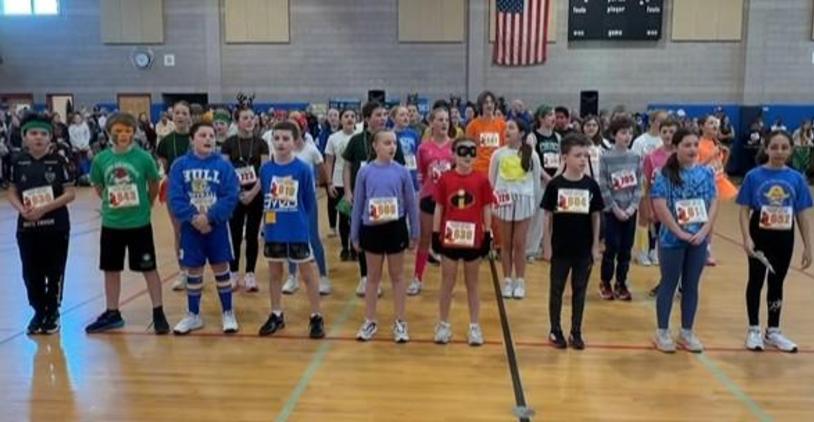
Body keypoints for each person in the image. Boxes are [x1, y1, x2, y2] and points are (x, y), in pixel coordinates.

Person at [85, 113, 169, 334]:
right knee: (111, 269)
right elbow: (99, 185)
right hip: (112, 225)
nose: (123, 135)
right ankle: (112, 312)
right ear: (109, 133)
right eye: (119, 131)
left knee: (149, 268)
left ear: (134, 132)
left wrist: (148, 202)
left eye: (128, 131)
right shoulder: (101, 159)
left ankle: (158, 311)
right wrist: (110, 202)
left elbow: (153, 182)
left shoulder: (143, 158)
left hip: (139, 224)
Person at [737, 130, 812, 353]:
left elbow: (801, 215)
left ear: (791, 150)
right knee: (756, 280)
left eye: (784, 148)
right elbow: (743, 210)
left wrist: (808, 246)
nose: (779, 152)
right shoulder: (753, 176)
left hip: (784, 236)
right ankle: (753, 329)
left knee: (777, 283)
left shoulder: (797, 179)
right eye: (775, 147)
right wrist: (746, 238)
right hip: (760, 234)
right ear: (767, 148)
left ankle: (774, 330)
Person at [651, 128, 719, 353]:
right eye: (686, 145)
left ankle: (686, 332)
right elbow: (659, 205)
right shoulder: (664, 174)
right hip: (672, 239)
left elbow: (713, 202)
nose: (691, 149)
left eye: (694, 145)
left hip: (698, 239)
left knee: (691, 286)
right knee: (669, 284)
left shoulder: (706, 174)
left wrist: (706, 230)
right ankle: (662, 332)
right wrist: (678, 231)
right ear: (677, 147)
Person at [168, 122, 240, 334]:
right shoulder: (180, 165)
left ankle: (228, 312)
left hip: (216, 227)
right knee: (194, 270)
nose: (208, 139)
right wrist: (193, 218)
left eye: (211, 135)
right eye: (202, 135)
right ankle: (193, 315)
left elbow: (230, 195)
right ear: (192, 139)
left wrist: (209, 217)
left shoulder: (224, 166)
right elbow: (175, 196)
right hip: (191, 228)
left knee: (221, 268)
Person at [8, 113, 76, 334]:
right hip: (27, 228)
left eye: (43, 134)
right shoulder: (17, 161)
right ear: (25, 137)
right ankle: (38, 311)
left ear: (50, 138)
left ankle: (52, 312)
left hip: (55, 226)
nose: (38, 138)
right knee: (31, 273)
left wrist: (43, 209)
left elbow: (70, 193)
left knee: (54, 271)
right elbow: (11, 191)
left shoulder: (59, 161)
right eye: (33, 133)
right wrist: (23, 210)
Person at [258, 121, 325, 338]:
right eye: (276, 138)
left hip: (297, 229)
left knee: (307, 274)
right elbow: (266, 200)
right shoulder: (266, 169)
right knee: (275, 273)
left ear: (295, 141)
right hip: (274, 229)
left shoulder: (303, 169)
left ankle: (316, 316)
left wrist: (300, 223)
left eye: (286, 139)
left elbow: (308, 201)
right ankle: (276, 313)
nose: (280, 143)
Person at [351, 129, 419, 342]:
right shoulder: (365, 172)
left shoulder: (402, 172)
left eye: (394, 143)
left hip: (395, 228)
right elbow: (358, 204)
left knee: (397, 277)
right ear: (375, 146)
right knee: (373, 277)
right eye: (387, 143)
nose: (392, 147)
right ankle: (370, 320)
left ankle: (400, 322)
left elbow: (411, 203)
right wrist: (355, 234)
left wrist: (414, 231)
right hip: (371, 229)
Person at [542, 133, 604, 350]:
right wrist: (546, 245)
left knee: (580, 290)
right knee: (556, 289)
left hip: (583, 249)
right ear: (565, 157)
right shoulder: (555, 185)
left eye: (585, 156)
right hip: (560, 248)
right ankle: (555, 329)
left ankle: (576, 331)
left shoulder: (591, 186)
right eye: (577, 155)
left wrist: (595, 246)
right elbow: (547, 215)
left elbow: (596, 216)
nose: (582, 160)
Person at [432, 137, 493, 345]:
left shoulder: (482, 180)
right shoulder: (445, 179)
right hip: (450, 238)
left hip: (473, 238)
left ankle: (474, 326)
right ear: (454, 154)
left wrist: (488, 234)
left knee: (472, 284)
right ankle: (443, 324)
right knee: (447, 282)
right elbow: (439, 207)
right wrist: (434, 234)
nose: (467, 156)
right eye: (462, 151)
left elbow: (486, 207)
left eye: (472, 152)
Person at [343, 101, 406, 296]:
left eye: (384, 114)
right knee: (364, 235)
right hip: (364, 197)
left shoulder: (392, 139)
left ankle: (383, 277)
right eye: (378, 115)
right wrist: (347, 190)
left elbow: (401, 169)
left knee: (386, 239)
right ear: (368, 118)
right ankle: (365, 277)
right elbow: (346, 166)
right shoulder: (355, 141)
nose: (382, 118)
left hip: (387, 200)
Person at [490, 118, 541, 299]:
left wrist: (533, 205)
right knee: (506, 244)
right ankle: (507, 281)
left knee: (520, 243)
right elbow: (492, 179)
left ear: (521, 133)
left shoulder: (531, 155)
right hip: (504, 202)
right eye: (506, 128)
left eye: (511, 128)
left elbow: (535, 183)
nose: (507, 131)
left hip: (524, 202)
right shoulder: (498, 155)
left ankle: (520, 281)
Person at [281, 117, 332, 295]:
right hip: (289, 201)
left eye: (295, 127)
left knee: (313, 237)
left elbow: (322, 170)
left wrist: (324, 184)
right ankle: (292, 277)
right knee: (291, 238)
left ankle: (324, 277)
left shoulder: (311, 150)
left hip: (307, 201)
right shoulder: (283, 152)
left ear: (302, 129)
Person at [221, 107, 269, 291]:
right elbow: (226, 171)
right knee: (234, 235)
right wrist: (238, 192)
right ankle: (233, 273)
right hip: (235, 195)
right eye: (245, 118)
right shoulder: (229, 143)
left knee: (252, 235)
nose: (249, 121)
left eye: (252, 118)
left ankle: (250, 273)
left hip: (256, 194)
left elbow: (264, 171)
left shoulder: (262, 143)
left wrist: (252, 193)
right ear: (237, 121)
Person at [409, 107, 454, 295]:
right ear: (432, 123)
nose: (444, 123)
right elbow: (420, 174)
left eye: (446, 119)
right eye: (440, 119)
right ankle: (417, 278)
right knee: (425, 239)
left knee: (447, 241)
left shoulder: (454, 147)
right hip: (428, 199)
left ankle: (447, 282)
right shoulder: (423, 148)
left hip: (450, 201)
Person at [597, 116, 642, 301]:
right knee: (611, 247)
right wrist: (615, 209)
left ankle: (621, 282)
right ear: (614, 135)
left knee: (626, 249)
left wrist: (631, 208)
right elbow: (604, 186)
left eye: (630, 133)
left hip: (630, 211)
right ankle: (605, 281)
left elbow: (639, 185)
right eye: (623, 133)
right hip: (612, 211)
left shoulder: (636, 157)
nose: (627, 136)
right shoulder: (606, 158)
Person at [156, 101, 193, 290]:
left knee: (196, 229)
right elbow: (163, 166)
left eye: (184, 113)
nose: (180, 116)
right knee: (179, 231)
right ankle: (183, 272)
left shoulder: (197, 137)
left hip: (196, 189)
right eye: (177, 112)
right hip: (175, 190)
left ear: (189, 116)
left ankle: (196, 271)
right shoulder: (165, 141)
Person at [643, 118, 679, 296]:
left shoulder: (683, 155)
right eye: (665, 131)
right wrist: (649, 208)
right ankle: (665, 281)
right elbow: (648, 186)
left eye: (672, 132)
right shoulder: (652, 157)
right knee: (663, 248)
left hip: (679, 211)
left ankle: (679, 284)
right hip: (659, 210)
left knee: (680, 247)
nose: (668, 135)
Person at [697, 115, 738, 266]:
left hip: (717, 183)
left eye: (716, 124)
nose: (714, 126)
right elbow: (696, 167)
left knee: (711, 220)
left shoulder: (716, 143)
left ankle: (707, 250)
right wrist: (711, 156)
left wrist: (724, 157)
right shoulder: (698, 144)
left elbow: (719, 163)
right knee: (704, 219)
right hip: (703, 186)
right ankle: (701, 250)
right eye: (711, 123)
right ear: (702, 126)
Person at [526, 105, 561, 260]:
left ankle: (546, 247)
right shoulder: (532, 137)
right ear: (540, 118)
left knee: (553, 217)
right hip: (539, 181)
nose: (552, 118)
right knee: (537, 217)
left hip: (554, 181)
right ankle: (530, 249)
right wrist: (546, 177)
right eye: (549, 115)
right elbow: (531, 161)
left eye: (553, 115)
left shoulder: (558, 137)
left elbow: (562, 159)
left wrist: (557, 177)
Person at [325, 108, 357, 260]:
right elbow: (329, 161)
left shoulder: (360, 137)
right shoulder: (333, 138)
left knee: (356, 217)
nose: (349, 119)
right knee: (344, 217)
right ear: (341, 120)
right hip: (339, 182)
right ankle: (345, 247)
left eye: (352, 116)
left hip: (357, 183)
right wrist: (329, 182)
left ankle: (356, 246)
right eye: (346, 116)